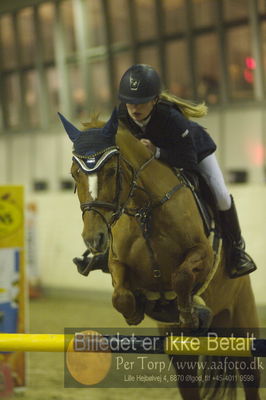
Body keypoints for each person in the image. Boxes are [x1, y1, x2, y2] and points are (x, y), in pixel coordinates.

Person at [74, 64, 256, 279]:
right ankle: (108, 252)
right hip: (153, 163)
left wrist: (157, 151)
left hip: (193, 153)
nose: (134, 108)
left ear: (154, 100)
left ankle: (236, 250)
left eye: (141, 102)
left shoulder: (171, 118)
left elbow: (187, 160)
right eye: (130, 102)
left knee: (221, 194)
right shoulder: (122, 116)